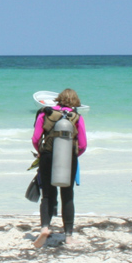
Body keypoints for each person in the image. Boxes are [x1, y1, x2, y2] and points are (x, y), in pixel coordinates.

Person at [32, 88, 87, 248]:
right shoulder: (77, 117)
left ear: (59, 99)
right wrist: (74, 155)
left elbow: (36, 138)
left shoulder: (45, 113)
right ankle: (68, 236)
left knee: (47, 194)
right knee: (67, 195)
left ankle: (44, 228)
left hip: (47, 156)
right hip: (69, 157)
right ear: (75, 102)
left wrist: (40, 152)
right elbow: (83, 144)